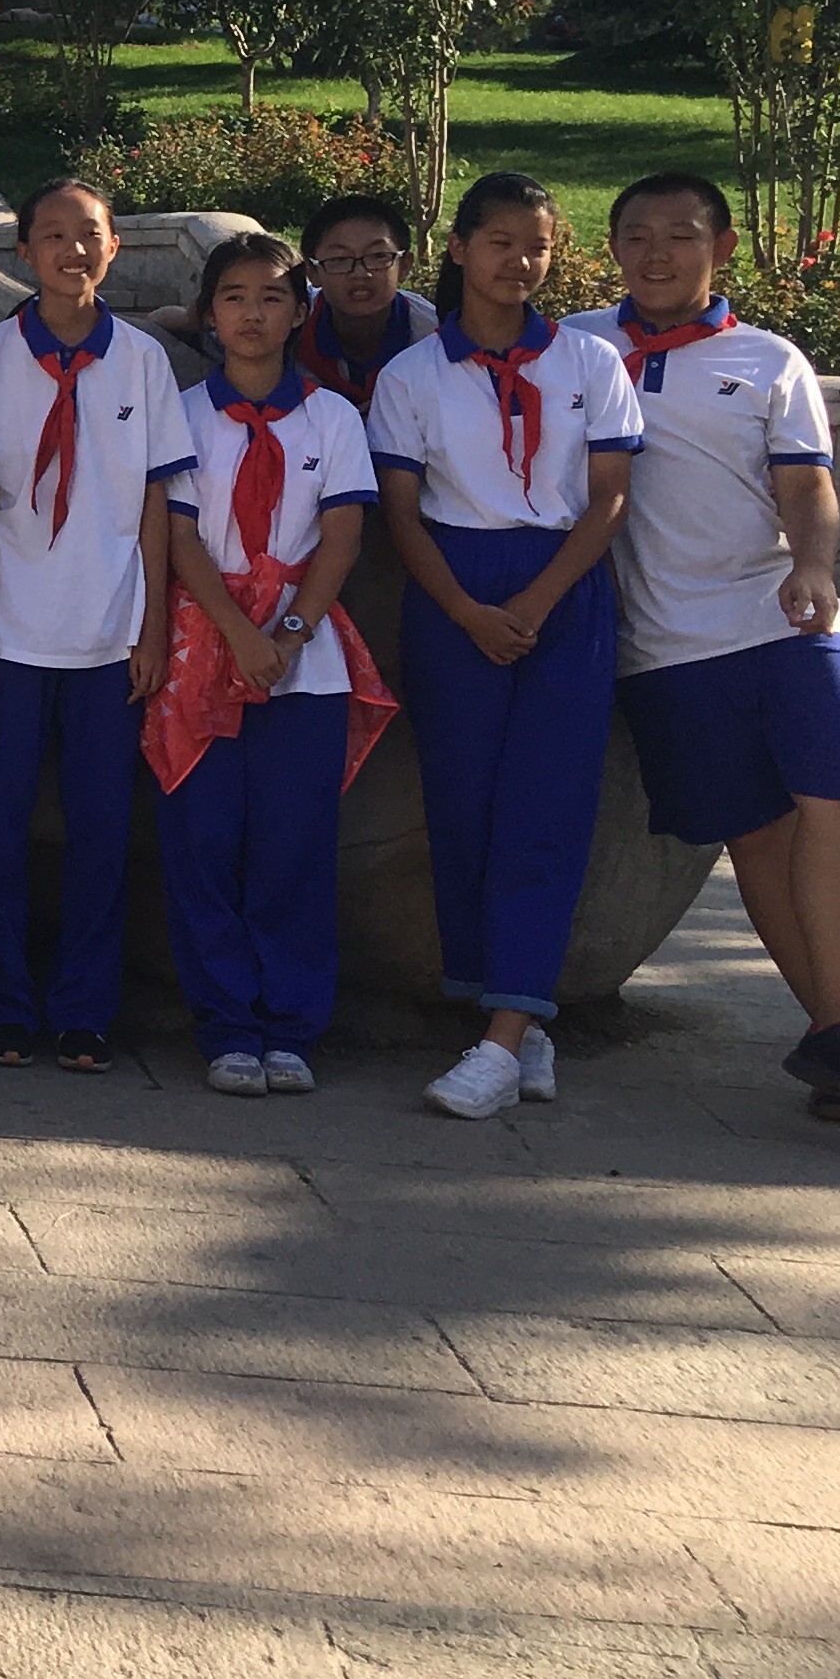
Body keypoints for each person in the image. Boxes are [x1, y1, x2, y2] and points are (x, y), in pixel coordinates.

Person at [572, 172, 840, 1124]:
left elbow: (805, 484)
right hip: (665, 647)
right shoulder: (576, 349)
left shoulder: (770, 360)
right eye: (637, 236)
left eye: (680, 235)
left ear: (721, 248)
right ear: (613, 249)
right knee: (756, 834)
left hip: (788, 620)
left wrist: (815, 567)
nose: (657, 254)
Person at [369, 173, 640, 1122]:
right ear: (459, 248)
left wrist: (535, 599)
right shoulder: (412, 376)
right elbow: (401, 515)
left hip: (562, 587)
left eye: (538, 246)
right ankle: (511, 1013)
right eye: (501, 242)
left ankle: (501, 1039)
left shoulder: (589, 362)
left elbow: (609, 497)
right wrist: (468, 610)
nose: (520, 262)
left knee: (547, 807)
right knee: (463, 808)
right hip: (454, 594)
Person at [144, 234, 396, 1096]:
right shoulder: (181, 414)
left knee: (295, 846)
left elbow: (342, 536)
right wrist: (238, 635)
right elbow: (179, 535)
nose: (253, 314)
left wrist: (288, 632)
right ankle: (226, 1025)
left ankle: (291, 1026)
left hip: (303, 660)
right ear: (209, 314)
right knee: (203, 841)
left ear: (299, 313)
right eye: (235, 297)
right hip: (203, 648)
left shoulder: (332, 418)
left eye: (272, 298)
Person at [0, 181, 191, 1074]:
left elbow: (158, 499)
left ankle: (85, 1010)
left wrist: (154, 625)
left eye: (88, 233)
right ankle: (1, 1004)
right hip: (10, 628)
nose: (72, 250)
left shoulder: (143, 361)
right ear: (24, 251)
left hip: (108, 631)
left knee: (101, 833)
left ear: (114, 246)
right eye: (51, 234)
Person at [296, 194, 434, 413]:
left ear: (405, 266)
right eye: (339, 259)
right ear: (312, 272)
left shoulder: (432, 336)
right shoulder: (292, 326)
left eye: (378, 256)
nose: (360, 273)